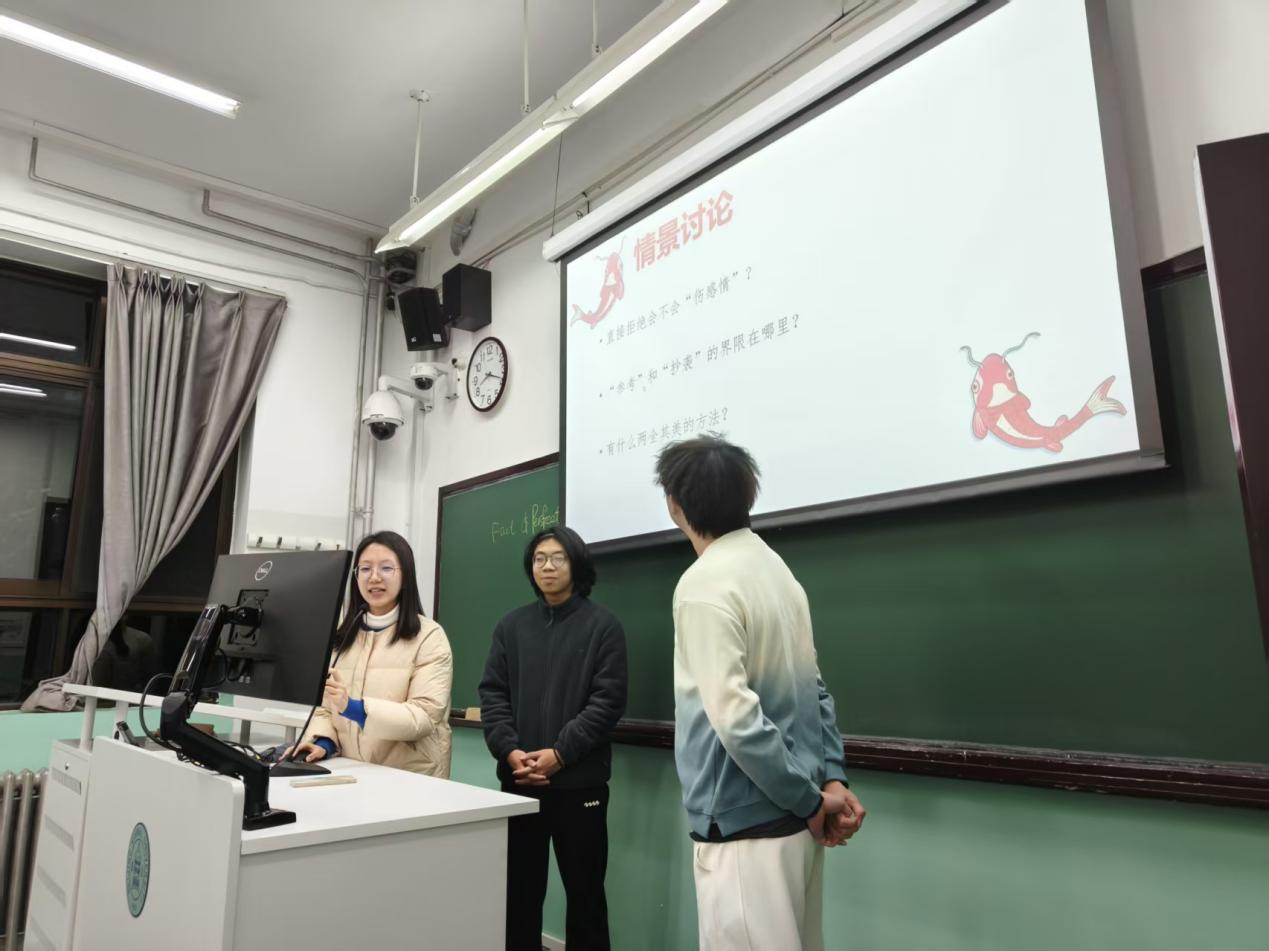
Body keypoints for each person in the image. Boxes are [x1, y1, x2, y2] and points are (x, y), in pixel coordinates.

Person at [654, 435, 866, 951]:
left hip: (746, 825)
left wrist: (811, 799)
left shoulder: (703, 584)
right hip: (797, 819)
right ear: (747, 496)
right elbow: (815, 691)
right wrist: (829, 780)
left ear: (676, 506)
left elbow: (735, 721)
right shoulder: (780, 573)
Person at [479, 526, 628, 951]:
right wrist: (510, 751)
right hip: (519, 783)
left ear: (576, 564)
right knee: (518, 897)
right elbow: (493, 695)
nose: (547, 566)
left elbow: (607, 702)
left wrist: (561, 753)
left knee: (586, 897)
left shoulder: (603, 626)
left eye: (558, 557)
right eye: (539, 558)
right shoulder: (511, 626)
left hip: (580, 786)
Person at [289, 530, 453, 777]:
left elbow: (423, 718)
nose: (374, 577)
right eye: (365, 569)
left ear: (406, 576)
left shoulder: (429, 637)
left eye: (386, 568)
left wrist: (352, 707)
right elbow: (326, 708)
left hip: (410, 776)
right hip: (353, 771)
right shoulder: (342, 637)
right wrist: (323, 742)